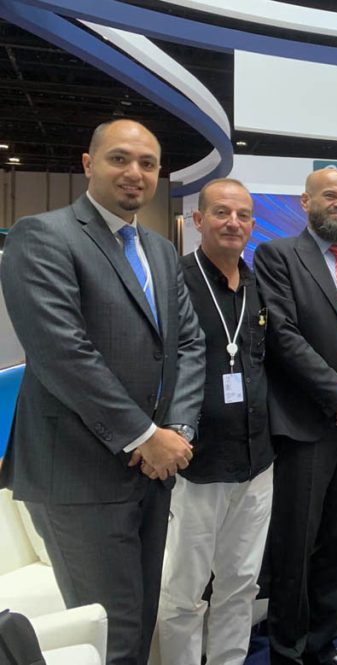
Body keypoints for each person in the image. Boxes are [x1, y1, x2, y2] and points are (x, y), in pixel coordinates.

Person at [0, 119, 205, 664]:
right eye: (120, 159)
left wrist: (177, 431)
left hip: (153, 470)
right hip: (79, 474)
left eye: (147, 164)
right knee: (109, 631)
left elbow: (188, 344)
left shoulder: (160, 251)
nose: (134, 172)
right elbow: (62, 353)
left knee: (138, 621)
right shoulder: (42, 236)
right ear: (89, 164)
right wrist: (144, 436)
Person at [254, 167, 337, 665]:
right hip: (307, 425)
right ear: (305, 202)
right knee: (296, 545)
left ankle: (322, 643)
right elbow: (283, 335)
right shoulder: (277, 256)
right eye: (330, 195)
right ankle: (288, 650)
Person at [157, 178, 274, 665]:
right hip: (196, 462)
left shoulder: (258, 285)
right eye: (222, 213)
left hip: (256, 461)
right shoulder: (174, 282)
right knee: (184, 589)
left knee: (241, 581)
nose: (233, 223)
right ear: (198, 220)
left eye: (243, 215)